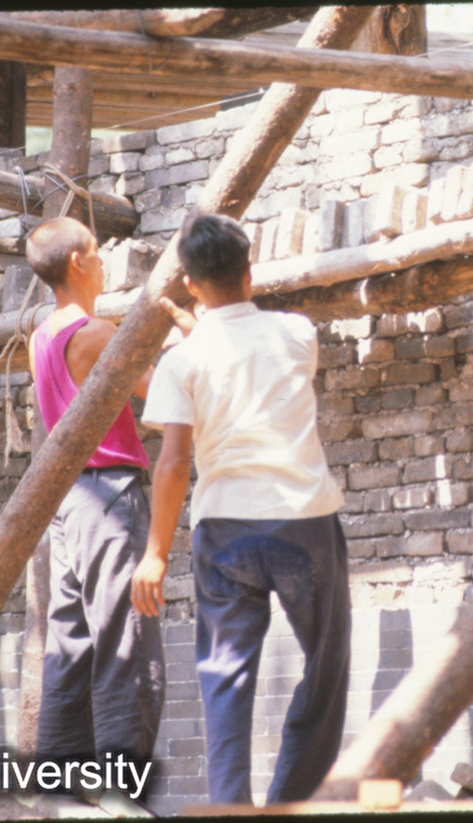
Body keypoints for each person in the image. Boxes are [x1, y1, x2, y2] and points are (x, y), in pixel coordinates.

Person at [133, 213, 350, 805]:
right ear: (250, 271)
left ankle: (230, 807)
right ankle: (289, 801)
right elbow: (246, 358)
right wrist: (201, 328)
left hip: (224, 530)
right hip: (303, 521)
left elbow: (174, 461)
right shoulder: (297, 332)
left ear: (191, 286)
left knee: (224, 677)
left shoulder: (183, 360)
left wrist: (155, 554)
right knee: (326, 667)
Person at [25, 216, 186, 797]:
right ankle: (123, 800)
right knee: (127, 646)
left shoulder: (41, 336)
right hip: (111, 497)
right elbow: (161, 392)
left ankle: (59, 796)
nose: (103, 261)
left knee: (71, 649)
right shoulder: (95, 332)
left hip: (69, 505)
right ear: (76, 264)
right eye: (96, 252)